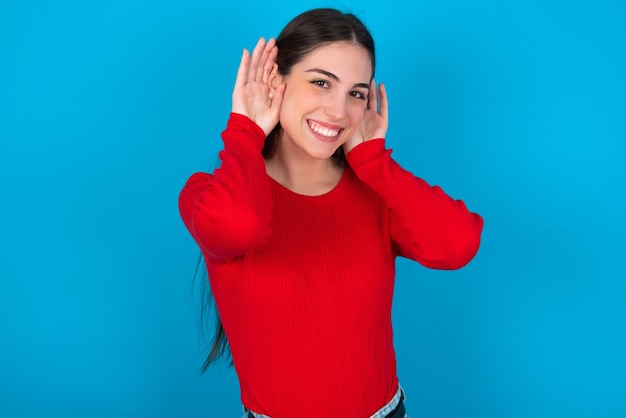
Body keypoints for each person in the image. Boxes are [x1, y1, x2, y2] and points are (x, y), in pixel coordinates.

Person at [179, 8, 483, 418]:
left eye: (356, 93)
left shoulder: (375, 194)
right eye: (321, 83)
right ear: (276, 79)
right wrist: (246, 127)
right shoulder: (209, 195)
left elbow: (458, 245)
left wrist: (374, 161)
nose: (339, 112)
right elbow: (240, 228)